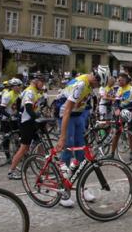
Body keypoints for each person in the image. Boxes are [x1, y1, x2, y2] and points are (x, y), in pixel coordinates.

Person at [54, 66, 109, 207]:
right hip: (66, 114)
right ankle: (63, 192)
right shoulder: (81, 84)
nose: (98, 87)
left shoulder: (90, 84)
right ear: (95, 78)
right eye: (99, 84)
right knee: (68, 148)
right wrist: (62, 137)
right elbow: (66, 110)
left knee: (81, 153)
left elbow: (86, 105)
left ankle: (81, 187)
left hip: (77, 114)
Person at [7, 76, 44, 179]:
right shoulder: (30, 92)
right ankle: (11, 171)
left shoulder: (33, 91)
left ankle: (44, 168)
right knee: (24, 148)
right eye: (42, 82)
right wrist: (36, 117)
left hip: (31, 122)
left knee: (40, 143)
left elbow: (19, 101)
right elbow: (28, 108)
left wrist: (19, 111)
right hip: (27, 123)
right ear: (35, 82)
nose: (43, 85)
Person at [111, 72, 132, 160]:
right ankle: (112, 153)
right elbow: (116, 101)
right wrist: (116, 108)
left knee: (131, 133)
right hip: (120, 113)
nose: (119, 82)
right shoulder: (119, 89)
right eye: (118, 80)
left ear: (126, 80)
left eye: (121, 80)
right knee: (117, 133)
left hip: (130, 113)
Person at [0, 78, 22, 160]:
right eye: (18, 85)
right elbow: (1, 109)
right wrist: (9, 115)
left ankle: (18, 154)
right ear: (13, 87)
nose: (20, 87)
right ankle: (8, 157)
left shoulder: (19, 94)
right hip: (6, 120)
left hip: (14, 119)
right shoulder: (7, 95)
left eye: (20, 85)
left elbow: (18, 107)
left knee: (19, 136)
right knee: (7, 138)